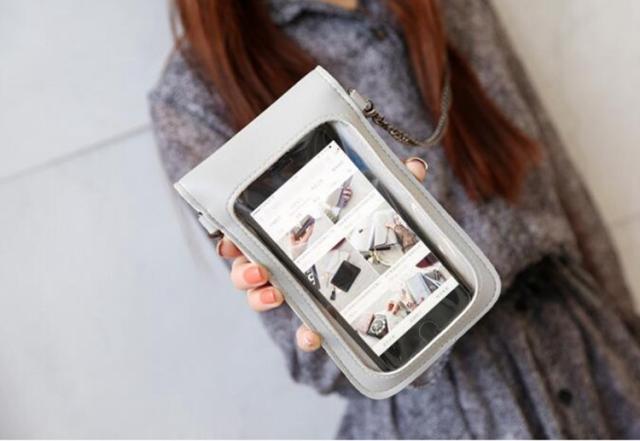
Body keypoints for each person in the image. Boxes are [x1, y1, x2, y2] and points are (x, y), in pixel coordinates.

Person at [149, 0, 640, 438]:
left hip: (591, 356)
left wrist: (626, 332)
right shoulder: (194, 92)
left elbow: (560, 186)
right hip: (451, 409)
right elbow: (319, 361)